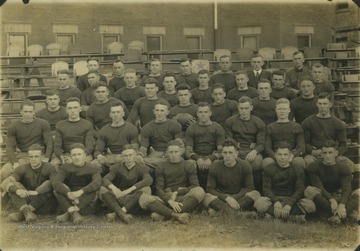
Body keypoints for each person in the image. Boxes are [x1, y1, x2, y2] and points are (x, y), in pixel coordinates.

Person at [138, 140, 205, 224]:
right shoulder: (161, 166)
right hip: (166, 199)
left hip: (183, 198)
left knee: (200, 191)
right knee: (143, 198)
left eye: (176, 152)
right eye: (171, 152)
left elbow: (194, 186)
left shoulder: (188, 165)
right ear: (167, 153)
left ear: (180, 152)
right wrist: (170, 200)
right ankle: (177, 215)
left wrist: (177, 192)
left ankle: (166, 213)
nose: (173, 155)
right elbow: (159, 189)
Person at [304, 140, 359, 225]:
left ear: (336, 153)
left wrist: (342, 205)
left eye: (330, 152)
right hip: (322, 197)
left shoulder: (344, 168)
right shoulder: (313, 166)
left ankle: (336, 216)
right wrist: (331, 199)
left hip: (338, 195)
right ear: (321, 154)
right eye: (325, 153)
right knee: (309, 190)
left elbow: (346, 189)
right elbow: (318, 186)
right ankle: (344, 214)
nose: (327, 156)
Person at [254, 142, 311, 223]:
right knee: (259, 203)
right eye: (280, 154)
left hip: (291, 199)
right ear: (275, 155)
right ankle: (291, 218)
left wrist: (289, 205)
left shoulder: (297, 169)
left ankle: (273, 216)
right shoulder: (268, 168)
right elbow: (266, 189)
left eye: (285, 154)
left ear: (290, 156)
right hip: (274, 199)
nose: (282, 157)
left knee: (310, 205)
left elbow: (300, 189)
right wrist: (276, 202)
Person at [202, 139, 260, 214]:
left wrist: (234, 198)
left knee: (255, 194)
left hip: (239, 197)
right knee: (206, 197)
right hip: (222, 197)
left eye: (230, 152)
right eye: (225, 153)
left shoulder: (245, 165)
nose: (228, 156)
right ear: (222, 154)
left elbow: (250, 187)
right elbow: (210, 189)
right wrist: (226, 198)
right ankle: (240, 213)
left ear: (236, 154)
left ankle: (221, 211)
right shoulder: (214, 166)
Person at [2, 99, 53, 181]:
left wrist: (46, 158)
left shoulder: (43, 123)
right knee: (5, 171)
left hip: (39, 155)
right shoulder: (13, 127)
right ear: (21, 112)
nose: (28, 114)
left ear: (34, 112)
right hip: (23, 155)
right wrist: (15, 162)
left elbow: (49, 142)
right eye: (25, 112)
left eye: (30, 112)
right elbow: (9, 147)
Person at [100, 145, 153, 223]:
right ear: (122, 157)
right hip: (119, 196)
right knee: (102, 189)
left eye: (130, 155)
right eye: (125, 156)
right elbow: (105, 179)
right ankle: (123, 212)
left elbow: (148, 180)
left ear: (135, 155)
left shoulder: (142, 167)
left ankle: (118, 213)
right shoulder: (116, 167)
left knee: (146, 189)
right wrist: (114, 188)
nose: (128, 158)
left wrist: (130, 189)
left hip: (134, 197)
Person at [5, 144, 57, 222]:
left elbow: (54, 184)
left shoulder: (50, 167)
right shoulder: (21, 168)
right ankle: (27, 212)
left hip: (44, 204)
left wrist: (36, 192)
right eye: (31, 157)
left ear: (42, 157)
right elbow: (5, 183)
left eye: (36, 156)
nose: (33, 159)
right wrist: (17, 190)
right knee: (14, 186)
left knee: (48, 183)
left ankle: (22, 214)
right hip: (27, 200)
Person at [52, 143, 102, 224]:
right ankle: (74, 213)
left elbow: (97, 182)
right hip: (69, 201)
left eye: (79, 154)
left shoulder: (93, 168)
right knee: (58, 188)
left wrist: (81, 192)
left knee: (94, 188)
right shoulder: (65, 168)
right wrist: (68, 193)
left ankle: (70, 213)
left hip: (86, 204)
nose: (77, 157)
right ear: (71, 156)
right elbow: (56, 182)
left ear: (84, 156)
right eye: (74, 155)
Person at [302, 92, 354, 169]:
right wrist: (312, 152)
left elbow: (343, 144)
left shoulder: (338, 123)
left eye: (325, 104)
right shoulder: (308, 122)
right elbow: (304, 143)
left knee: (348, 164)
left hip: (332, 153)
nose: (322, 106)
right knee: (309, 162)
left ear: (330, 104)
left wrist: (335, 153)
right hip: (315, 154)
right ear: (316, 104)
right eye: (320, 104)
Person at [224, 96, 265, 192]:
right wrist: (235, 151)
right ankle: (233, 189)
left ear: (251, 108)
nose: (244, 111)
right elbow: (229, 141)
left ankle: (254, 190)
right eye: (241, 108)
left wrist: (254, 151)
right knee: (231, 161)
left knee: (256, 163)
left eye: (246, 108)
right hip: (236, 150)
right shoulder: (230, 121)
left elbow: (261, 143)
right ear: (238, 108)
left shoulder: (258, 122)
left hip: (251, 150)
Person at [185, 102, 225, 189]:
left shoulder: (217, 128)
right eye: (200, 112)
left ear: (210, 113)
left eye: (205, 112)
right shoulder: (191, 128)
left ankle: (216, 190)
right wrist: (197, 158)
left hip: (212, 156)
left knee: (218, 164)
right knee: (189, 164)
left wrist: (211, 158)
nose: (203, 114)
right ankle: (194, 189)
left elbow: (221, 150)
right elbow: (188, 150)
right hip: (196, 156)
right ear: (197, 114)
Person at [92, 104, 139, 174]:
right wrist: (99, 156)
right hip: (110, 157)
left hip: (126, 156)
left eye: (118, 112)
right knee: (92, 166)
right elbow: (97, 150)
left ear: (123, 114)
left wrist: (123, 156)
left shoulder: (131, 128)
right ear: (110, 115)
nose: (116, 114)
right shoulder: (104, 130)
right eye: (113, 112)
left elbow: (135, 149)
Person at [263, 98, 305, 171]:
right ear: (276, 110)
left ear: (289, 110)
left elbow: (301, 147)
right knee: (267, 162)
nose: (282, 111)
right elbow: (267, 148)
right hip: (275, 155)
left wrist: (292, 155)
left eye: (284, 109)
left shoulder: (297, 126)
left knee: (299, 162)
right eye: (279, 109)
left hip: (291, 155)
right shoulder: (270, 127)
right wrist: (275, 156)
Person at [52, 97, 95, 169]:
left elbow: (89, 146)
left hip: (83, 154)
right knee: (52, 166)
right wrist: (62, 157)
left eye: (75, 108)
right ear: (66, 110)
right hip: (66, 155)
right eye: (70, 108)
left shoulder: (87, 124)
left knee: (88, 166)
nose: (73, 110)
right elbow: (57, 146)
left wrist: (77, 157)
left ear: (80, 109)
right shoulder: (60, 125)